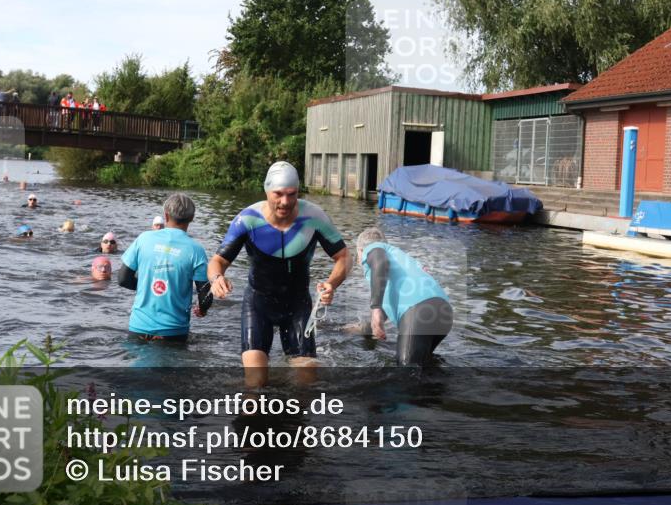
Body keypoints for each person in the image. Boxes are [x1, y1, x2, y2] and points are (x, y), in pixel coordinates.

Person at [208, 161, 349, 384]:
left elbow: (343, 257)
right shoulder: (248, 219)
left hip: (298, 305)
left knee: (306, 386)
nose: (285, 202)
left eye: (291, 194)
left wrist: (332, 282)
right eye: (278, 194)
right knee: (254, 385)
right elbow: (218, 261)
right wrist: (216, 278)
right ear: (267, 191)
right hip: (258, 304)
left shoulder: (313, 217)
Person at [118, 193, 211, 342]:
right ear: (192, 218)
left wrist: (146, 286)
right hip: (173, 331)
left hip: (138, 328)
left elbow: (122, 279)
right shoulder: (196, 250)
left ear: (166, 216)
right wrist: (203, 309)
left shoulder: (143, 239)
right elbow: (205, 294)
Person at [354, 228, 453, 366]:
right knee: (425, 369)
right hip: (443, 311)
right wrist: (372, 322)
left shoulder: (373, 247)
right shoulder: (402, 260)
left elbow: (380, 263)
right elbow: (389, 305)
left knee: (406, 373)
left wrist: (375, 309)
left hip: (419, 311)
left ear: (359, 250)